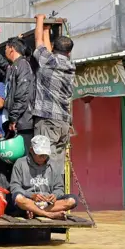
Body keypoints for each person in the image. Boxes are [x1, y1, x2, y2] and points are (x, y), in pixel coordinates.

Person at [32, 14, 76, 175]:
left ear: (54, 49)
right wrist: (46, 29)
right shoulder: (71, 66)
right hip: (63, 123)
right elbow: (47, 50)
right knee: (56, 164)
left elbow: (39, 44)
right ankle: (56, 195)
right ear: (69, 53)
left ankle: (47, 196)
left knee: (43, 160)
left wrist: (40, 20)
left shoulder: (48, 61)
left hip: (48, 121)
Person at [0, 23, 35, 150]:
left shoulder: (23, 65)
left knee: (23, 158)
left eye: (6, 48)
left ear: (12, 49)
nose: (5, 51)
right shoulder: (11, 67)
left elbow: (22, 95)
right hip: (14, 121)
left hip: (23, 122)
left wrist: (14, 118)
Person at [10, 135, 78, 219]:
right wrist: (31, 195)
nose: (43, 158)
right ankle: (48, 214)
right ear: (31, 150)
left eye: (45, 155)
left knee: (72, 200)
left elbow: (59, 188)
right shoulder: (20, 163)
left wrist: (54, 195)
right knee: (18, 198)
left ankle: (35, 212)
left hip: (47, 203)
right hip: (29, 201)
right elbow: (15, 188)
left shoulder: (53, 164)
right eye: (40, 155)